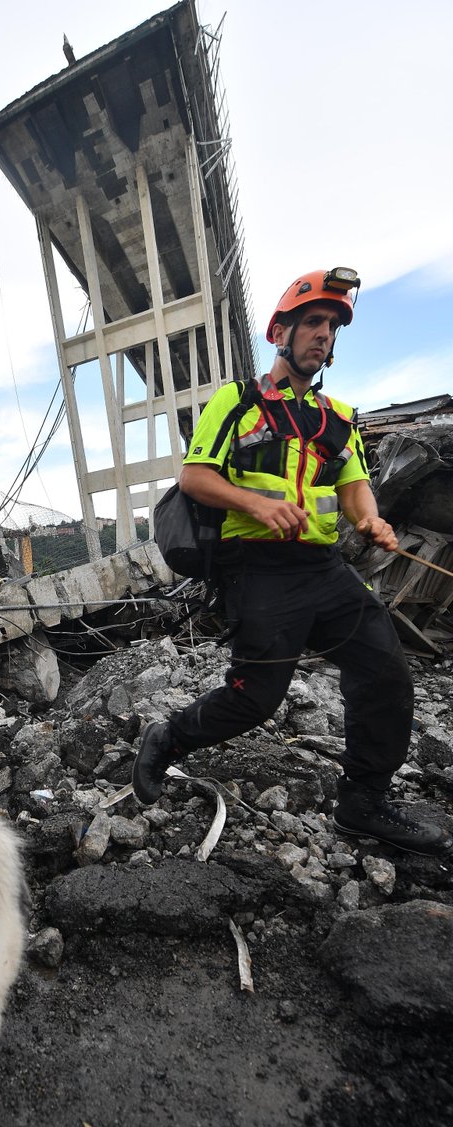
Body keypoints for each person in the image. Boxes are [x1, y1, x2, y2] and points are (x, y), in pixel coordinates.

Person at [133, 268, 452, 856]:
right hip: (258, 571)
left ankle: (362, 804)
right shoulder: (238, 401)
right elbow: (195, 477)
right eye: (312, 323)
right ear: (281, 331)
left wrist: (371, 519)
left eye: (331, 327)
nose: (323, 335)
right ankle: (167, 737)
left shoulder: (339, 417)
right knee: (256, 698)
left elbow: (355, 485)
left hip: (325, 570)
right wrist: (255, 502)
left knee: (385, 673)